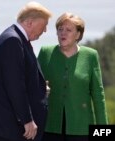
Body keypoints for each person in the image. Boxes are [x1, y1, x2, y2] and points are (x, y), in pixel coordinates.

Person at [0, 1, 52, 141]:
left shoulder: (16, 38)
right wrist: (27, 120)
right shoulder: (12, 40)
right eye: (44, 25)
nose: (45, 30)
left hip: (12, 127)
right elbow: (15, 85)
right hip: (12, 128)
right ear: (30, 23)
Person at [38, 12, 108, 141]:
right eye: (60, 29)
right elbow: (33, 86)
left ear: (78, 34)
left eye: (68, 30)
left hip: (82, 128)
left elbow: (98, 95)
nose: (63, 33)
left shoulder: (91, 55)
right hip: (50, 127)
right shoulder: (45, 52)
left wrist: (104, 133)